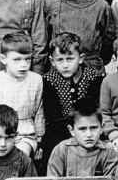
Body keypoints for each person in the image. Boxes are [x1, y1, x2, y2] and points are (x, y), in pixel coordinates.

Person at [41, 34, 104, 164]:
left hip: (87, 128)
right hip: (59, 132)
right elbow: (53, 116)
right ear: (52, 61)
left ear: (80, 58)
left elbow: (93, 109)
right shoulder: (49, 80)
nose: (65, 65)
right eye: (60, 60)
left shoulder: (93, 78)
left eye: (70, 59)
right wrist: (71, 135)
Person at [0, 32, 44, 157]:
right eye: (17, 60)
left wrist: (40, 141)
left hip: (25, 134)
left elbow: (39, 112)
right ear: (3, 59)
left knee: (20, 155)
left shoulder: (36, 80)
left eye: (27, 59)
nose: (23, 65)